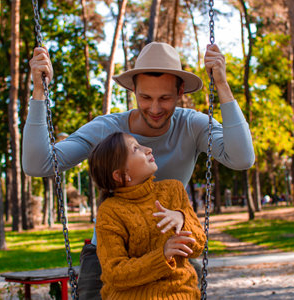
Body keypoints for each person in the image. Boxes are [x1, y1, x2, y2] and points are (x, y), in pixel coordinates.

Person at [23, 41, 254, 298]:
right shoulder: (107, 129)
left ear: (180, 92)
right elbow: (38, 164)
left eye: (165, 98)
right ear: (133, 90)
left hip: (171, 251)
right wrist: (39, 91)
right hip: (112, 254)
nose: (155, 109)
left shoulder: (193, 126)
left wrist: (222, 85)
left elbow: (242, 158)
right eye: (145, 97)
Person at [89, 132, 206, 299]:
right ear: (121, 174)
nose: (148, 149)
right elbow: (114, 273)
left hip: (179, 293)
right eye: (136, 149)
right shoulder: (110, 211)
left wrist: (182, 219)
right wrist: (162, 256)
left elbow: (198, 246)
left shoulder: (173, 190)